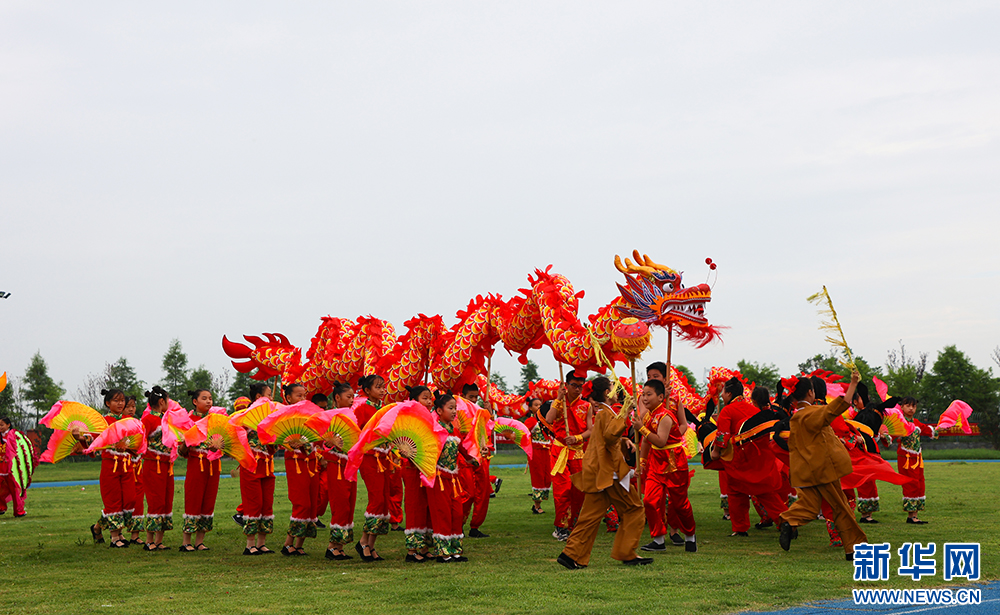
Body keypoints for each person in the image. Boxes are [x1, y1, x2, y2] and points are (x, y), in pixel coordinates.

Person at [558, 377, 650, 569]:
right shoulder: (606, 413)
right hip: (609, 473)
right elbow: (609, 437)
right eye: (612, 388)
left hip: (601, 472)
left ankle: (571, 554)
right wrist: (625, 410)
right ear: (607, 393)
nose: (616, 390)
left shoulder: (603, 413)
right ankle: (627, 552)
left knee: (589, 516)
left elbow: (607, 439)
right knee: (634, 509)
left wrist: (624, 440)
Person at [778, 370, 866, 561]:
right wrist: (853, 383)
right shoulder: (812, 414)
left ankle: (788, 519)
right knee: (841, 506)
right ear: (811, 393)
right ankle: (853, 548)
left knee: (809, 507)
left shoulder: (796, 417)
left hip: (806, 472)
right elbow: (838, 407)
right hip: (822, 470)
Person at [711, 378, 787, 538]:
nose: (722, 395)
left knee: (736, 492)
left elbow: (722, 436)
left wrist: (715, 452)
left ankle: (740, 528)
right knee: (766, 493)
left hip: (739, 460)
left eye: (723, 392)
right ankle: (786, 521)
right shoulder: (754, 409)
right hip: (758, 459)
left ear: (729, 393)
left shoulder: (727, 410)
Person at [638, 379, 696, 553]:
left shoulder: (665, 416)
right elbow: (647, 442)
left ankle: (690, 535)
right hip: (656, 462)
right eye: (643, 394)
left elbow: (661, 441)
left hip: (674, 462)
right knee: (650, 500)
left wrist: (641, 429)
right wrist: (642, 461)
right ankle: (658, 539)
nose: (645, 398)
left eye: (649, 394)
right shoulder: (649, 416)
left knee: (679, 504)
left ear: (661, 396)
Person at [427, 392, 478, 562]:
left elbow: (462, 448)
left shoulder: (454, 429)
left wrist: (473, 458)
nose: (454, 411)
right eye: (450, 408)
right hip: (439, 478)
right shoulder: (433, 429)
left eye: (455, 408)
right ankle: (443, 552)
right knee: (442, 513)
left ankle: (456, 549)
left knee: (456, 512)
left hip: (453, 478)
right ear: (439, 411)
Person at [545, 369, 590, 541]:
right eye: (574, 385)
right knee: (562, 490)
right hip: (560, 452)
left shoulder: (586, 406)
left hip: (578, 452)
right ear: (566, 385)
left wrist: (577, 437)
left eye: (580, 386)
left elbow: (590, 430)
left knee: (578, 491)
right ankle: (560, 527)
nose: (577, 389)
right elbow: (549, 419)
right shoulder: (558, 403)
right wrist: (558, 399)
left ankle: (573, 524)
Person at [178, 389, 223, 552]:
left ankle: (200, 541)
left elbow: (224, 442)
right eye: (204, 398)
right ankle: (186, 541)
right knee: (193, 500)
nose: (209, 401)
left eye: (210, 398)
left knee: (208, 501)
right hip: (196, 465)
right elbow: (180, 452)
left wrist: (218, 445)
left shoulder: (217, 420)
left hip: (213, 466)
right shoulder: (188, 421)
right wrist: (186, 442)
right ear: (195, 402)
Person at [280, 383, 321, 556]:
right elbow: (275, 437)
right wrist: (288, 442)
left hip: (311, 462)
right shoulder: (283, 417)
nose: (303, 398)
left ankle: (299, 544)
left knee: (312, 502)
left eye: (304, 395)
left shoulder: (311, 416)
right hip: (295, 462)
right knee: (301, 502)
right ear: (288, 398)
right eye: (298, 395)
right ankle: (288, 543)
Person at [354, 374, 391, 561]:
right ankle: (363, 541)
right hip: (369, 458)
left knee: (384, 499)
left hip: (384, 458)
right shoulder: (361, 408)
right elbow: (356, 432)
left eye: (383, 386)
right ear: (367, 391)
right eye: (378, 387)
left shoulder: (384, 409)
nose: (382, 389)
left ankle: (370, 544)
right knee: (376, 498)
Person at [322, 382, 358, 560]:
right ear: (337, 398)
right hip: (336, 466)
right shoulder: (328, 417)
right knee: (340, 504)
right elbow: (320, 441)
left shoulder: (353, 417)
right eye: (348, 397)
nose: (352, 400)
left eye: (353, 397)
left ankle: (340, 545)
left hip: (349, 465)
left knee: (349, 504)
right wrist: (328, 444)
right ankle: (332, 546)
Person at [399, 386, 435, 562]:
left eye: (430, 398)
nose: (429, 402)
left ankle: (425, 546)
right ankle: (412, 550)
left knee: (427, 506)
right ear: (414, 400)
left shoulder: (430, 417)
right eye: (425, 398)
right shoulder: (406, 419)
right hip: (412, 468)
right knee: (414, 506)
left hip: (426, 467)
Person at [140, 386, 175, 550]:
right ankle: (149, 540)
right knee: (155, 500)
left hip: (167, 466)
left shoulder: (168, 419)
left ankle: (159, 540)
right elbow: (140, 441)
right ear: (162, 401)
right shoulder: (147, 420)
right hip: (153, 465)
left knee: (166, 500)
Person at [233, 382, 272, 527]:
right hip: (251, 465)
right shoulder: (244, 418)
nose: (271, 398)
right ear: (259, 397)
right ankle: (250, 544)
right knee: (253, 502)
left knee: (266, 503)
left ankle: (261, 541)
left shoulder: (270, 417)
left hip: (267, 465)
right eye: (269, 395)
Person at [894, 396, 937, 524]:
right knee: (910, 483)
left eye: (914, 406)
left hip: (918, 458)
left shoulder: (916, 422)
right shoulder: (899, 422)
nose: (911, 409)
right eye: (908, 406)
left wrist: (938, 430)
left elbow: (928, 430)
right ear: (902, 407)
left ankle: (915, 515)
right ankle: (910, 515)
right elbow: (890, 435)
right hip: (906, 458)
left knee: (919, 483)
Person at [461, 382, 492, 539]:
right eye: (470, 397)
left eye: (475, 397)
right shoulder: (458, 414)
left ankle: (475, 526)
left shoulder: (481, 413)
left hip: (481, 457)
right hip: (464, 459)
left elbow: (487, 433)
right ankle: (458, 524)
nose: (473, 400)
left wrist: (489, 412)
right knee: (468, 494)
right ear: (463, 396)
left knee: (483, 493)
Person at [123, 396, 145, 545]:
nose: (131, 409)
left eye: (133, 406)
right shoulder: (118, 424)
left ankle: (135, 535)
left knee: (138, 499)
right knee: (123, 501)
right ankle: (100, 527)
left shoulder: (138, 423)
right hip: (123, 465)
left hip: (138, 465)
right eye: (128, 406)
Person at [524, 398, 552, 514]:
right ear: (530, 408)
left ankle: (540, 502)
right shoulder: (531, 421)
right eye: (536, 405)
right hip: (536, 453)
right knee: (538, 477)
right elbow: (523, 433)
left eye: (540, 405)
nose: (538, 407)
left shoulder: (548, 420)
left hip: (548, 453)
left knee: (547, 477)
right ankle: (537, 505)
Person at [0, 416, 27, 518]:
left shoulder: (13, 436)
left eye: (2, 425)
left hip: (11, 469)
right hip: (0, 468)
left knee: (14, 489)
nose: (0, 427)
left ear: (8, 425)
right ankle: (1, 507)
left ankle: (19, 511)